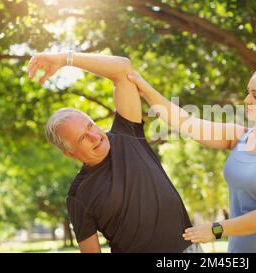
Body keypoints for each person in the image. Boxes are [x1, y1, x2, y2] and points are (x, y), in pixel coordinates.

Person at [26, 51, 202, 253]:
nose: (94, 136)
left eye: (90, 126)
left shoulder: (126, 133)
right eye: (82, 138)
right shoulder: (79, 195)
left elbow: (123, 68)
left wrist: (66, 59)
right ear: (70, 153)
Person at [127, 65, 256, 253]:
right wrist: (145, 89)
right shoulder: (238, 136)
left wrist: (216, 229)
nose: (247, 100)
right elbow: (186, 123)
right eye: (248, 93)